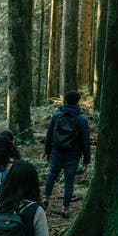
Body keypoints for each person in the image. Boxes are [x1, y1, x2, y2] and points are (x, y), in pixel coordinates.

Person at [43, 90, 91, 218]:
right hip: (73, 156)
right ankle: (65, 209)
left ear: (64, 101)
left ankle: (45, 198)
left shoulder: (56, 116)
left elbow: (49, 136)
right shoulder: (81, 120)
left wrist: (47, 152)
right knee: (69, 182)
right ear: (78, 102)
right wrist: (87, 159)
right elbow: (85, 141)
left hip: (57, 152)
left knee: (52, 175)